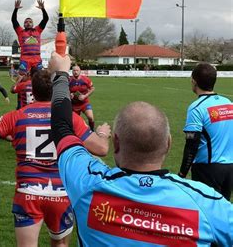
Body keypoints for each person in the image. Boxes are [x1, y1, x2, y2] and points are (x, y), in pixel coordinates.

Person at [48, 52, 232, 246]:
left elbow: (61, 127)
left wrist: (60, 75)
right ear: (168, 143)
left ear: (116, 142)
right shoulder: (207, 202)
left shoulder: (87, 184)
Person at [0, 69, 110, 247]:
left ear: (33, 90)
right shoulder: (69, 118)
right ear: (55, 91)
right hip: (61, 193)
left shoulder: (17, 116)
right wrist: (102, 133)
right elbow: (101, 148)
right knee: (60, 243)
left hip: (28, 192)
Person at [179, 62, 233, 200]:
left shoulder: (196, 108)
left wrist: (182, 173)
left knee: (206, 212)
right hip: (229, 168)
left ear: (194, 82)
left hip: (207, 169)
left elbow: (192, 145)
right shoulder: (228, 103)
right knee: (223, 210)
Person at [11, 0, 48, 74]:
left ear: (33, 24)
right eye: (26, 22)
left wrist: (43, 9)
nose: (28, 23)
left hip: (36, 59)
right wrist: (16, 9)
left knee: (39, 77)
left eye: (30, 22)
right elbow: (14, 20)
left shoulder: (38, 30)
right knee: (22, 77)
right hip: (25, 59)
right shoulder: (20, 32)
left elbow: (45, 19)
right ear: (24, 24)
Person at [69, 65, 95, 130]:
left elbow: (92, 88)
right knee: (74, 122)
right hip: (73, 105)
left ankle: (92, 130)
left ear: (80, 71)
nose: (75, 72)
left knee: (90, 117)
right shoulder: (69, 80)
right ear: (72, 72)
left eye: (77, 70)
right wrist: (69, 94)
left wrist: (85, 96)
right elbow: (64, 90)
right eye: (74, 70)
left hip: (84, 103)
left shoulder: (85, 79)